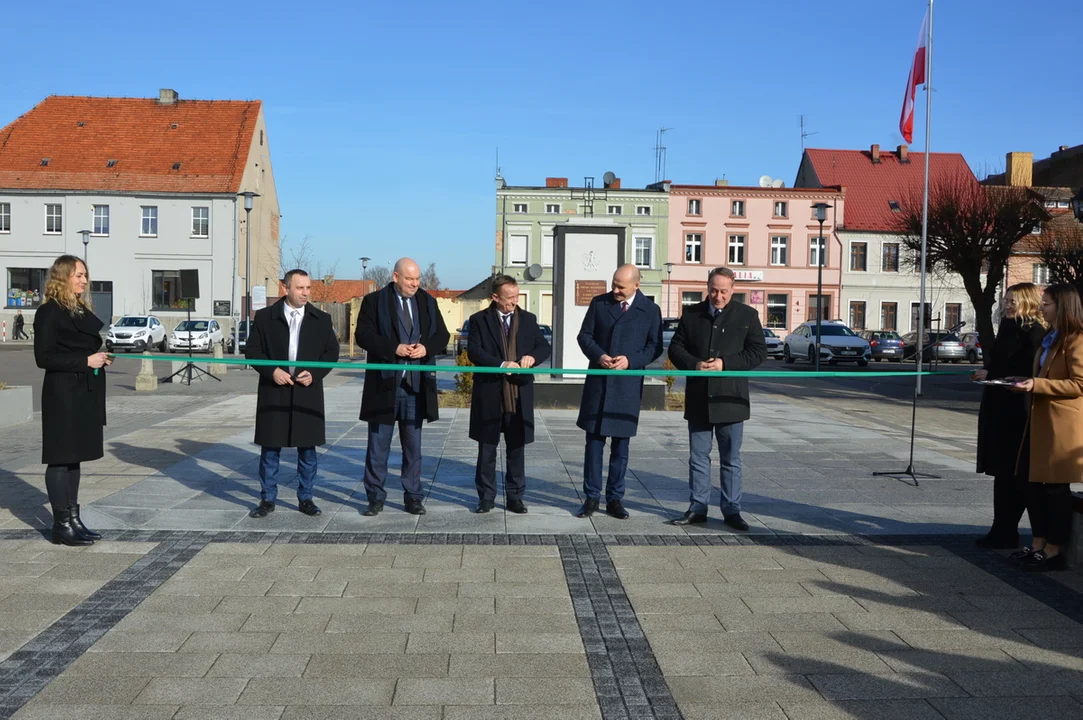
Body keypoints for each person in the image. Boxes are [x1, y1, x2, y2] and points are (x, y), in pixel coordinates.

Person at [668, 266, 767, 529]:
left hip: (731, 399)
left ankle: (731, 510)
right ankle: (697, 507)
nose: (718, 296)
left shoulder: (747, 315)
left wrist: (725, 363)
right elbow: (675, 348)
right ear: (707, 287)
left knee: (730, 459)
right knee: (698, 457)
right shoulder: (692, 314)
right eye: (713, 290)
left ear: (733, 290)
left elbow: (758, 352)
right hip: (699, 398)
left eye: (724, 291)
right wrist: (694, 364)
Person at [356, 257, 450, 516]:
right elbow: (362, 336)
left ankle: (413, 497)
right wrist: (392, 348)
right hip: (384, 385)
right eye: (409, 279)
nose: (415, 284)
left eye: (417, 279)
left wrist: (426, 348)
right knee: (378, 446)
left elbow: (442, 335)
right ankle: (375, 497)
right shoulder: (374, 302)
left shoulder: (427, 301)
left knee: (413, 448)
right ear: (395, 277)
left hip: (416, 387)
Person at [245, 269, 341, 519]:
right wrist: (272, 371)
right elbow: (253, 351)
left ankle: (306, 498)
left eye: (308, 288)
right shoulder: (266, 317)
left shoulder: (321, 319)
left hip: (307, 393)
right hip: (274, 392)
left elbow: (331, 353)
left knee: (308, 451)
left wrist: (315, 373)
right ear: (286, 288)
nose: (306, 293)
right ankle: (267, 499)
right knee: (270, 449)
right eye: (300, 288)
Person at [34, 255, 111, 546]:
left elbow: (82, 350)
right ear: (62, 277)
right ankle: (61, 525)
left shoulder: (78, 309)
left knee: (74, 458)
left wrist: (99, 359)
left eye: (85, 275)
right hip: (62, 395)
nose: (83, 280)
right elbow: (44, 358)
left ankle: (74, 519)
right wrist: (84, 360)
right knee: (59, 458)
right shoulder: (49, 312)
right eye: (78, 275)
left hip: (84, 393)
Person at [575, 265, 663, 519]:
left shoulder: (650, 310)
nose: (615, 290)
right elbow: (584, 336)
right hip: (599, 384)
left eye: (621, 287)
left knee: (621, 448)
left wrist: (631, 361)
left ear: (636, 285)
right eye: (614, 284)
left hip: (626, 387)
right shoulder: (599, 303)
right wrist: (599, 355)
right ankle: (591, 497)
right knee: (593, 444)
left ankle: (615, 498)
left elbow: (654, 347)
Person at [1010, 283, 1083, 572]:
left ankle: (1055, 549)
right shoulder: (1050, 338)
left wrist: (1037, 384)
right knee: (1027, 481)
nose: (1041, 307)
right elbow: (1042, 373)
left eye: (1047, 303)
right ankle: (1039, 541)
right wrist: (1022, 381)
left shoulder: (1075, 339)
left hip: (1060, 424)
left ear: (1062, 307)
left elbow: (1079, 383)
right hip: (1039, 421)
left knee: (1055, 488)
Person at [467, 275, 551, 514]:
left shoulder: (528, 319)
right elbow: (474, 351)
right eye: (509, 298)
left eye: (516, 297)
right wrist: (502, 364)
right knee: (487, 448)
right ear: (495, 297)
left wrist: (532, 357)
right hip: (490, 392)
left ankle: (515, 497)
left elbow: (543, 346)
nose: (514, 302)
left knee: (516, 448)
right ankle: (486, 497)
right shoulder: (478, 320)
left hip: (518, 394)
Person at [972, 283, 1047, 549]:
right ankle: (1000, 528)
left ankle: (1008, 530)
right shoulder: (1007, 326)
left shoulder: (1035, 331)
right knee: (1000, 471)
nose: (1007, 304)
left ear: (1027, 301)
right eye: (1006, 300)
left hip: (1019, 409)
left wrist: (1001, 376)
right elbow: (1001, 364)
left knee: (1013, 471)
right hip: (999, 404)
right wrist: (988, 373)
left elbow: (1032, 369)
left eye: (1013, 300)